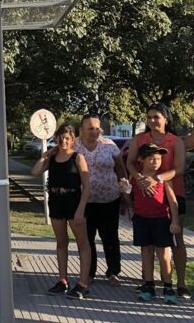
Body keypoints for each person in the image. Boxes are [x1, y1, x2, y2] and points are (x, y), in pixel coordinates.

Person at [125, 103, 188, 298]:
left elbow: (180, 169)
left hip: (172, 193)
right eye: (149, 117)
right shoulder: (139, 139)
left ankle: (180, 283)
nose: (152, 120)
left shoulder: (175, 141)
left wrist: (157, 178)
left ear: (166, 119)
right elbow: (130, 163)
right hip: (144, 194)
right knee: (148, 243)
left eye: (156, 117)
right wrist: (140, 179)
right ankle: (149, 282)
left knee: (175, 239)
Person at [31, 123, 92, 299]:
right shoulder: (52, 158)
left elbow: (87, 186)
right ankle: (63, 280)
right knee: (61, 243)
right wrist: (45, 155)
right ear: (56, 138)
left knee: (82, 244)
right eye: (61, 137)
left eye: (67, 138)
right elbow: (35, 171)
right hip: (56, 202)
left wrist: (80, 209)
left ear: (73, 140)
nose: (64, 141)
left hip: (73, 201)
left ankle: (83, 283)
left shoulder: (78, 157)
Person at [74, 115, 127, 286]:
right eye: (90, 128)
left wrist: (125, 190)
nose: (94, 131)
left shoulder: (109, 146)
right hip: (84, 202)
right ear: (81, 130)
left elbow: (121, 169)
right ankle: (89, 273)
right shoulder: (74, 146)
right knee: (87, 238)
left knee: (110, 237)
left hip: (109, 199)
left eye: (97, 128)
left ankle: (113, 272)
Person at [125, 143, 181, 303]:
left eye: (158, 158)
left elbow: (173, 201)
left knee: (164, 254)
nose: (155, 162)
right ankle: (148, 285)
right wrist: (124, 191)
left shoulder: (163, 178)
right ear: (141, 160)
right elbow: (130, 200)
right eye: (151, 158)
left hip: (161, 219)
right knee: (146, 252)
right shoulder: (135, 179)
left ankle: (168, 286)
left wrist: (175, 221)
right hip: (142, 219)